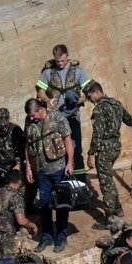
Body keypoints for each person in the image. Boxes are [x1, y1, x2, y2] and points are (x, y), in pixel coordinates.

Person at [23, 97, 75, 253]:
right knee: (44, 204)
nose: (31, 118)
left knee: (60, 204)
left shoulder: (57, 118)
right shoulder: (29, 122)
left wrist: (70, 162)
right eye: (29, 116)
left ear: (40, 109)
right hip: (41, 171)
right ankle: (47, 236)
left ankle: (61, 236)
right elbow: (28, 145)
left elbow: (68, 141)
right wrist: (28, 167)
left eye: (33, 115)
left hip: (58, 168)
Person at [83, 81, 132, 223]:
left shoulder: (99, 109)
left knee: (105, 182)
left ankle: (109, 218)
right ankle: (118, 208)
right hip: (116, 147)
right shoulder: (116, 103)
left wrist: (90, 153)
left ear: (96, 92)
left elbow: (97, 133)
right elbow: (129, 119)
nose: (90, 100)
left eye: (89, 97)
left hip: (105, 149)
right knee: (108, 177)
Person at [35, 45, 94, 174]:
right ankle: (64, 179)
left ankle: (80, 180)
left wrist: (77, 101)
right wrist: (47, 100)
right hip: (56, 117)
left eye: (63, 60)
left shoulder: (78, 71)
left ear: (67, 55)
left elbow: (90, 92)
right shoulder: (48, 72)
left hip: (73, 115)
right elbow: (40, 92)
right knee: (60, 149)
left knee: (76, 149)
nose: (60, 64)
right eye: (57, 62)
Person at [0, 169, 36, 258]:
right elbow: (21, 221)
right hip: (5, 238)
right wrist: (33, 225)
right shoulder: (15, 196)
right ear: (19, 181)